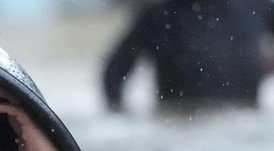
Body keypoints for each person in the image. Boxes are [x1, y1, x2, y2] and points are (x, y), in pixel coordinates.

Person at [102, 0, 274, 112]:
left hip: (244, 122)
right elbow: (114, 72)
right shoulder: (158, 14)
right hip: (180, 125)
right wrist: (121, 116)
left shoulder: (253, 7)